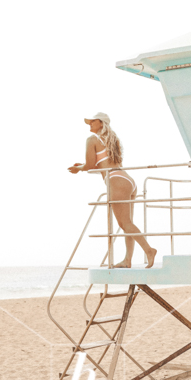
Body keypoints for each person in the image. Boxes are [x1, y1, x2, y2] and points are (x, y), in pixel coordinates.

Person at [68, 112, 157, 268]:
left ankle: (149, 250)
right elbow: (103, 163)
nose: (90, 124)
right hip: (127, 180)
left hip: (116, 181)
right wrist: (82, 166)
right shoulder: (112, 140)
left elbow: (89, 165)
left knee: (125, 223)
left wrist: (79, 168)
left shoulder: (92, 140)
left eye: (92, 121)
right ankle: (127, 260)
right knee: (128, 223)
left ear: (101, 123)